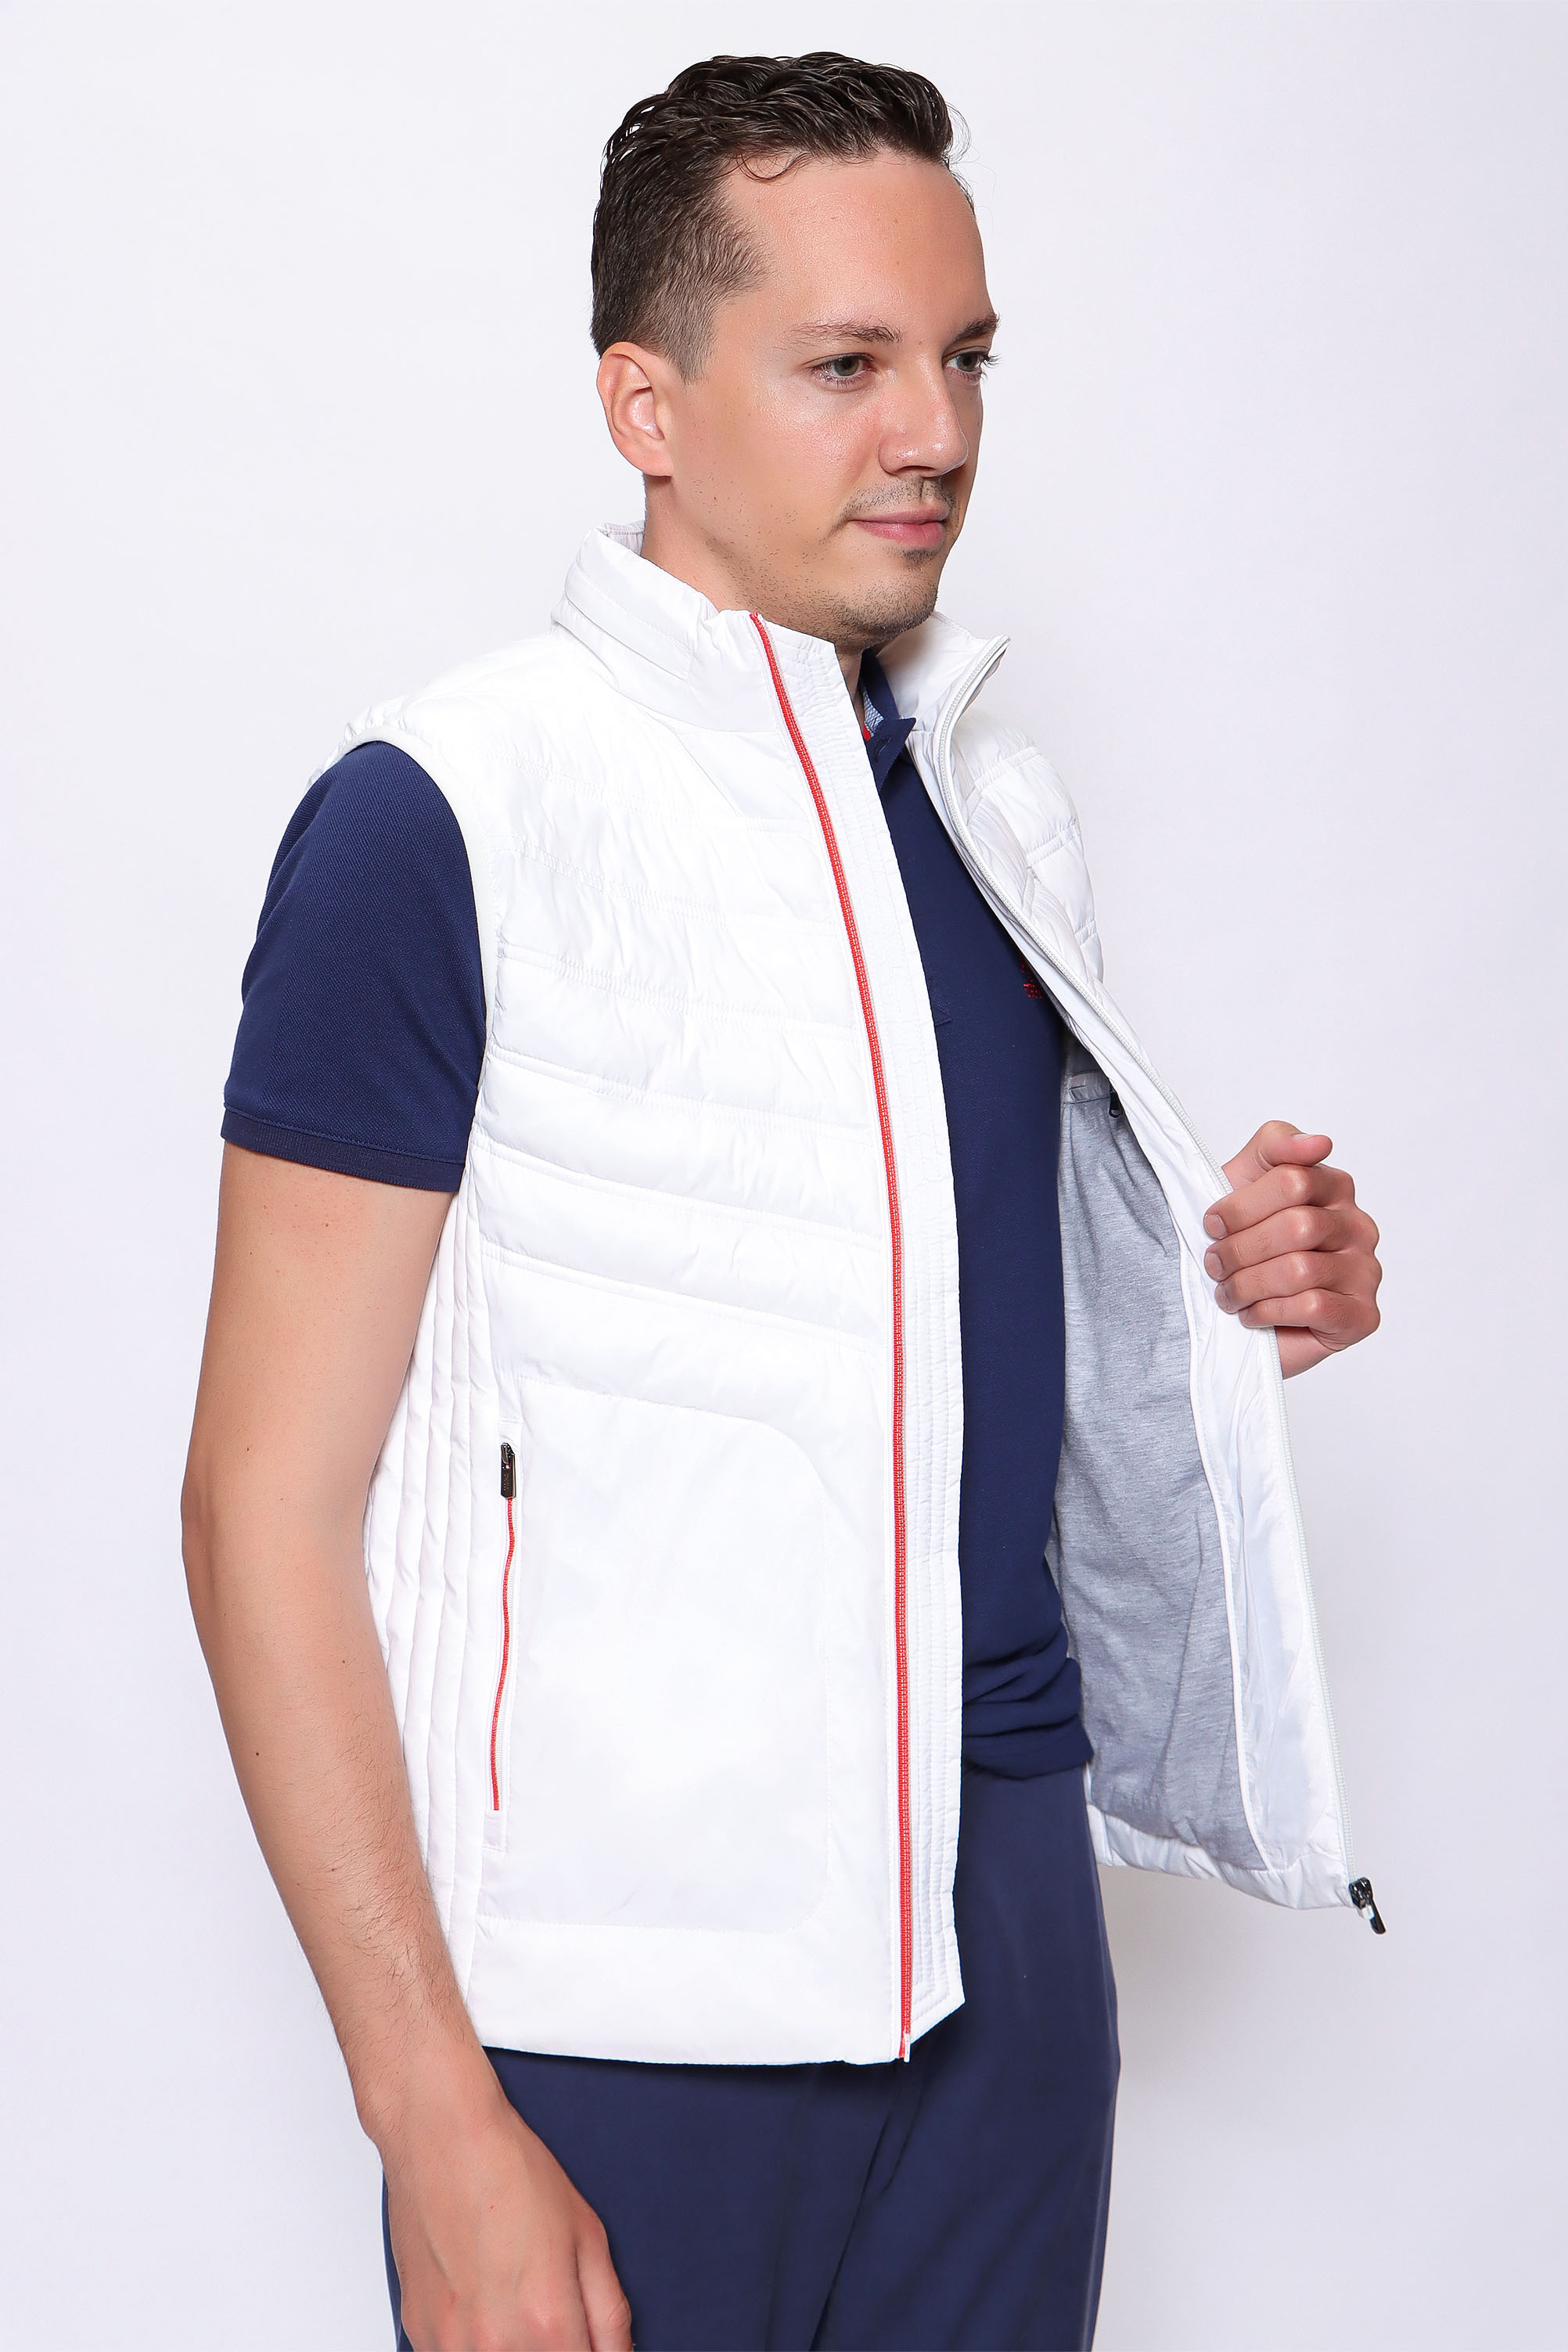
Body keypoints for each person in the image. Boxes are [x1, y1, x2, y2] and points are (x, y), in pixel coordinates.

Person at [182, 52, 1383, 2352]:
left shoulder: (993, 806)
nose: (932, 432)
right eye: (845, 364)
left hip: (1007, 1945)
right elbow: (260, 1507)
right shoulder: (440, 819)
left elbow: (915, 1312)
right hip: (618, 2010)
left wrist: (1229, 1287)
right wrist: (430, 2112)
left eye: (965, 357)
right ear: (645, 402)